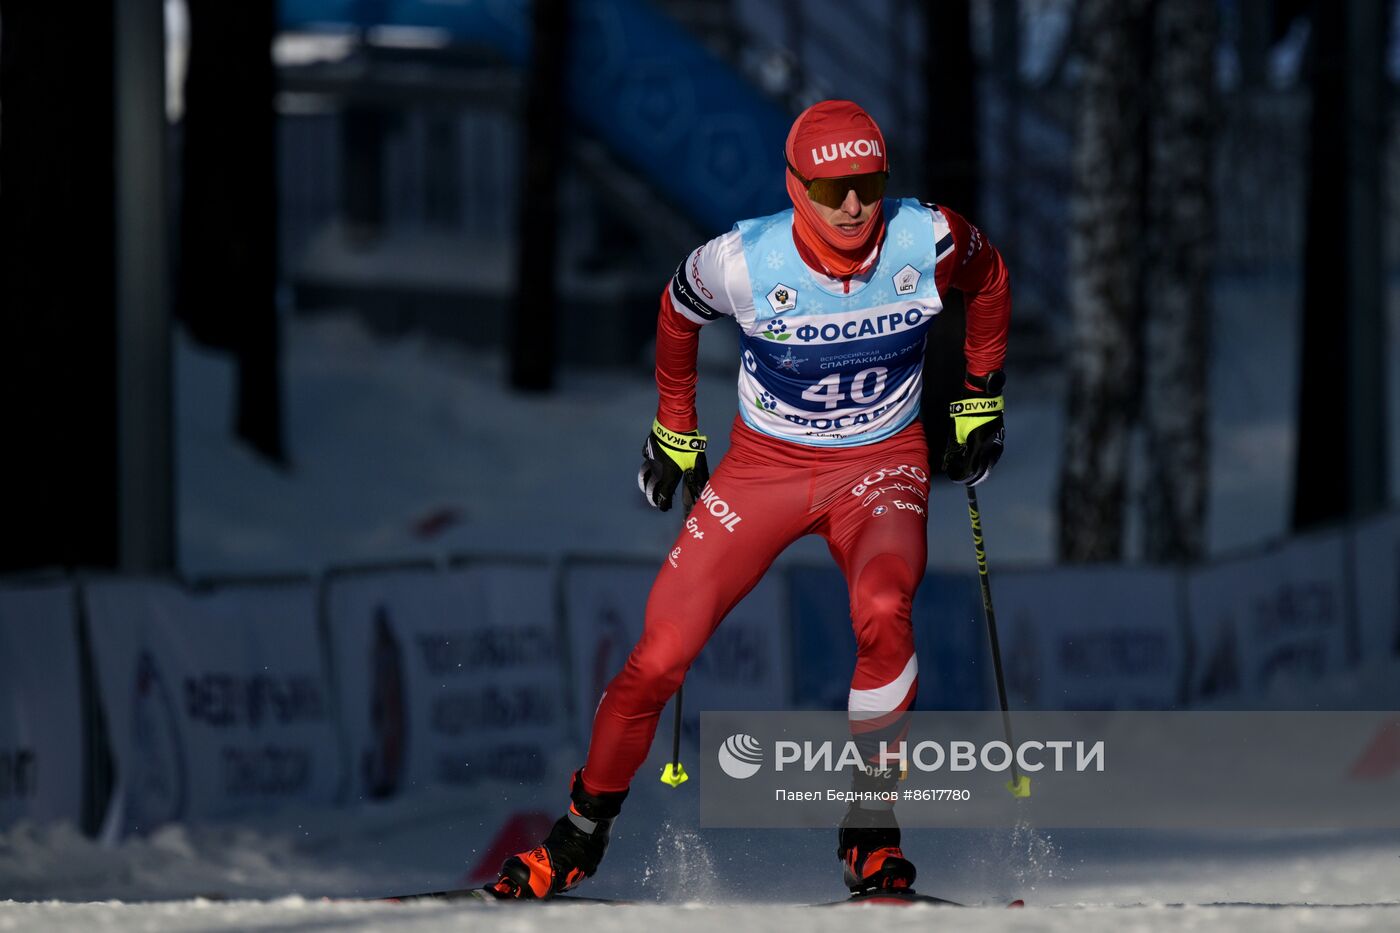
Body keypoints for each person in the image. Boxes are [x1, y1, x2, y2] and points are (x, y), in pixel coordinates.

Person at [491, 99, 1011, 900]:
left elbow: (990, 277)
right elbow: (674, 311)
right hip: (764, 469)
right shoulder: (742, 259)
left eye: (868, 184)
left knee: (884, 608)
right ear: (795, 186)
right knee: (659, 657)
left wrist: (981, 395)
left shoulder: (928, 235)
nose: (852, 206)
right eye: (831, 187)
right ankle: (577, 837)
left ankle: (871, 831)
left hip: (879, 463)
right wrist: (674, 428)